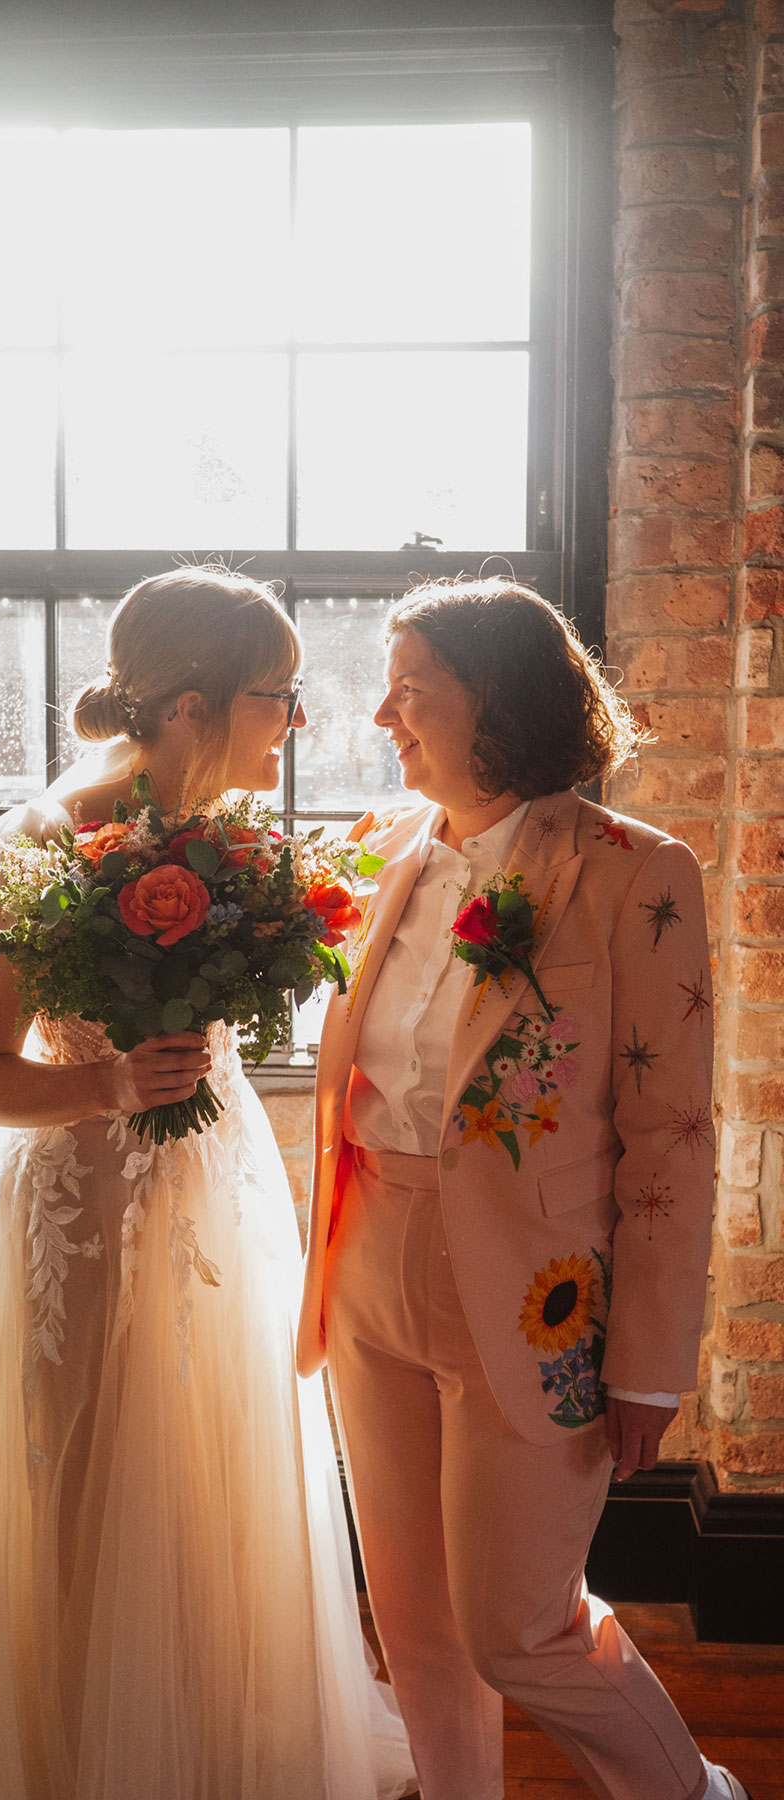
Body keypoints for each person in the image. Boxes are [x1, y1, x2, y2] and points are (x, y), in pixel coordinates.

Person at [0, 566, 415, 1800]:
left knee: (210, 1485)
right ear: (188, 705)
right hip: (80, 1214)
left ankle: (208, 1745)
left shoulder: (227, 842)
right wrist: (112, 1088)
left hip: (210, 1198)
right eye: (278, 697)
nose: (295, 724)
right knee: (76, 1488)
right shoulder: (43, 847)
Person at [299, 576, 751, 1800]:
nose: (383, 714)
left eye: (413, 690)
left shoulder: (636, 873)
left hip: (538, 1296)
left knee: (520, 1625)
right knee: (420, 1625)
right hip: (364, 1273)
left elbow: (671, 1134)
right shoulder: (376, 850)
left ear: (494, 700)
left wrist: (650, 1360)